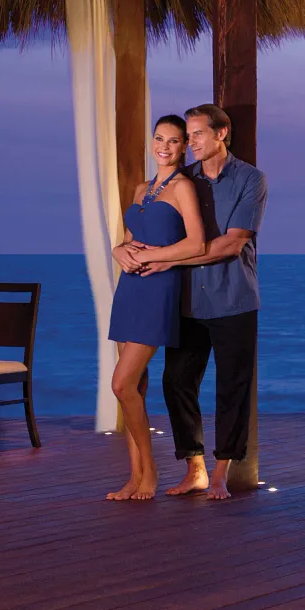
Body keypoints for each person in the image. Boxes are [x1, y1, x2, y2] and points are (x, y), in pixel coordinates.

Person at [123, 102, 266, 501]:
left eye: (197, 133)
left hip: (234, 297)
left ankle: (222, 471)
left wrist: (160, 256)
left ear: (222, 134)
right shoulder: (182, 180)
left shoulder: (250, 179)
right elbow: (156, 232)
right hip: (185, 298)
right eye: (189, 134)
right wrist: (126, 249)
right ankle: (195, 467)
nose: (191, 141)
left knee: (232, 387)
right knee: (177, 382)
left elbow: (230, 243)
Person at [104, 115, 204, 501]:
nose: (165, 146)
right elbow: (130, 239)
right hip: (129, 289)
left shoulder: (183, 188)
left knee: (121, 383)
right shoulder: (141, 188)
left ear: (183, 146)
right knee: (134, 390)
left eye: (175, 140)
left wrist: (159, 255)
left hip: (159, 287)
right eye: (159, 138)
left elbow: (196, 243)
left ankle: (152, 470)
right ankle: (134, 476)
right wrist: (116, 250)